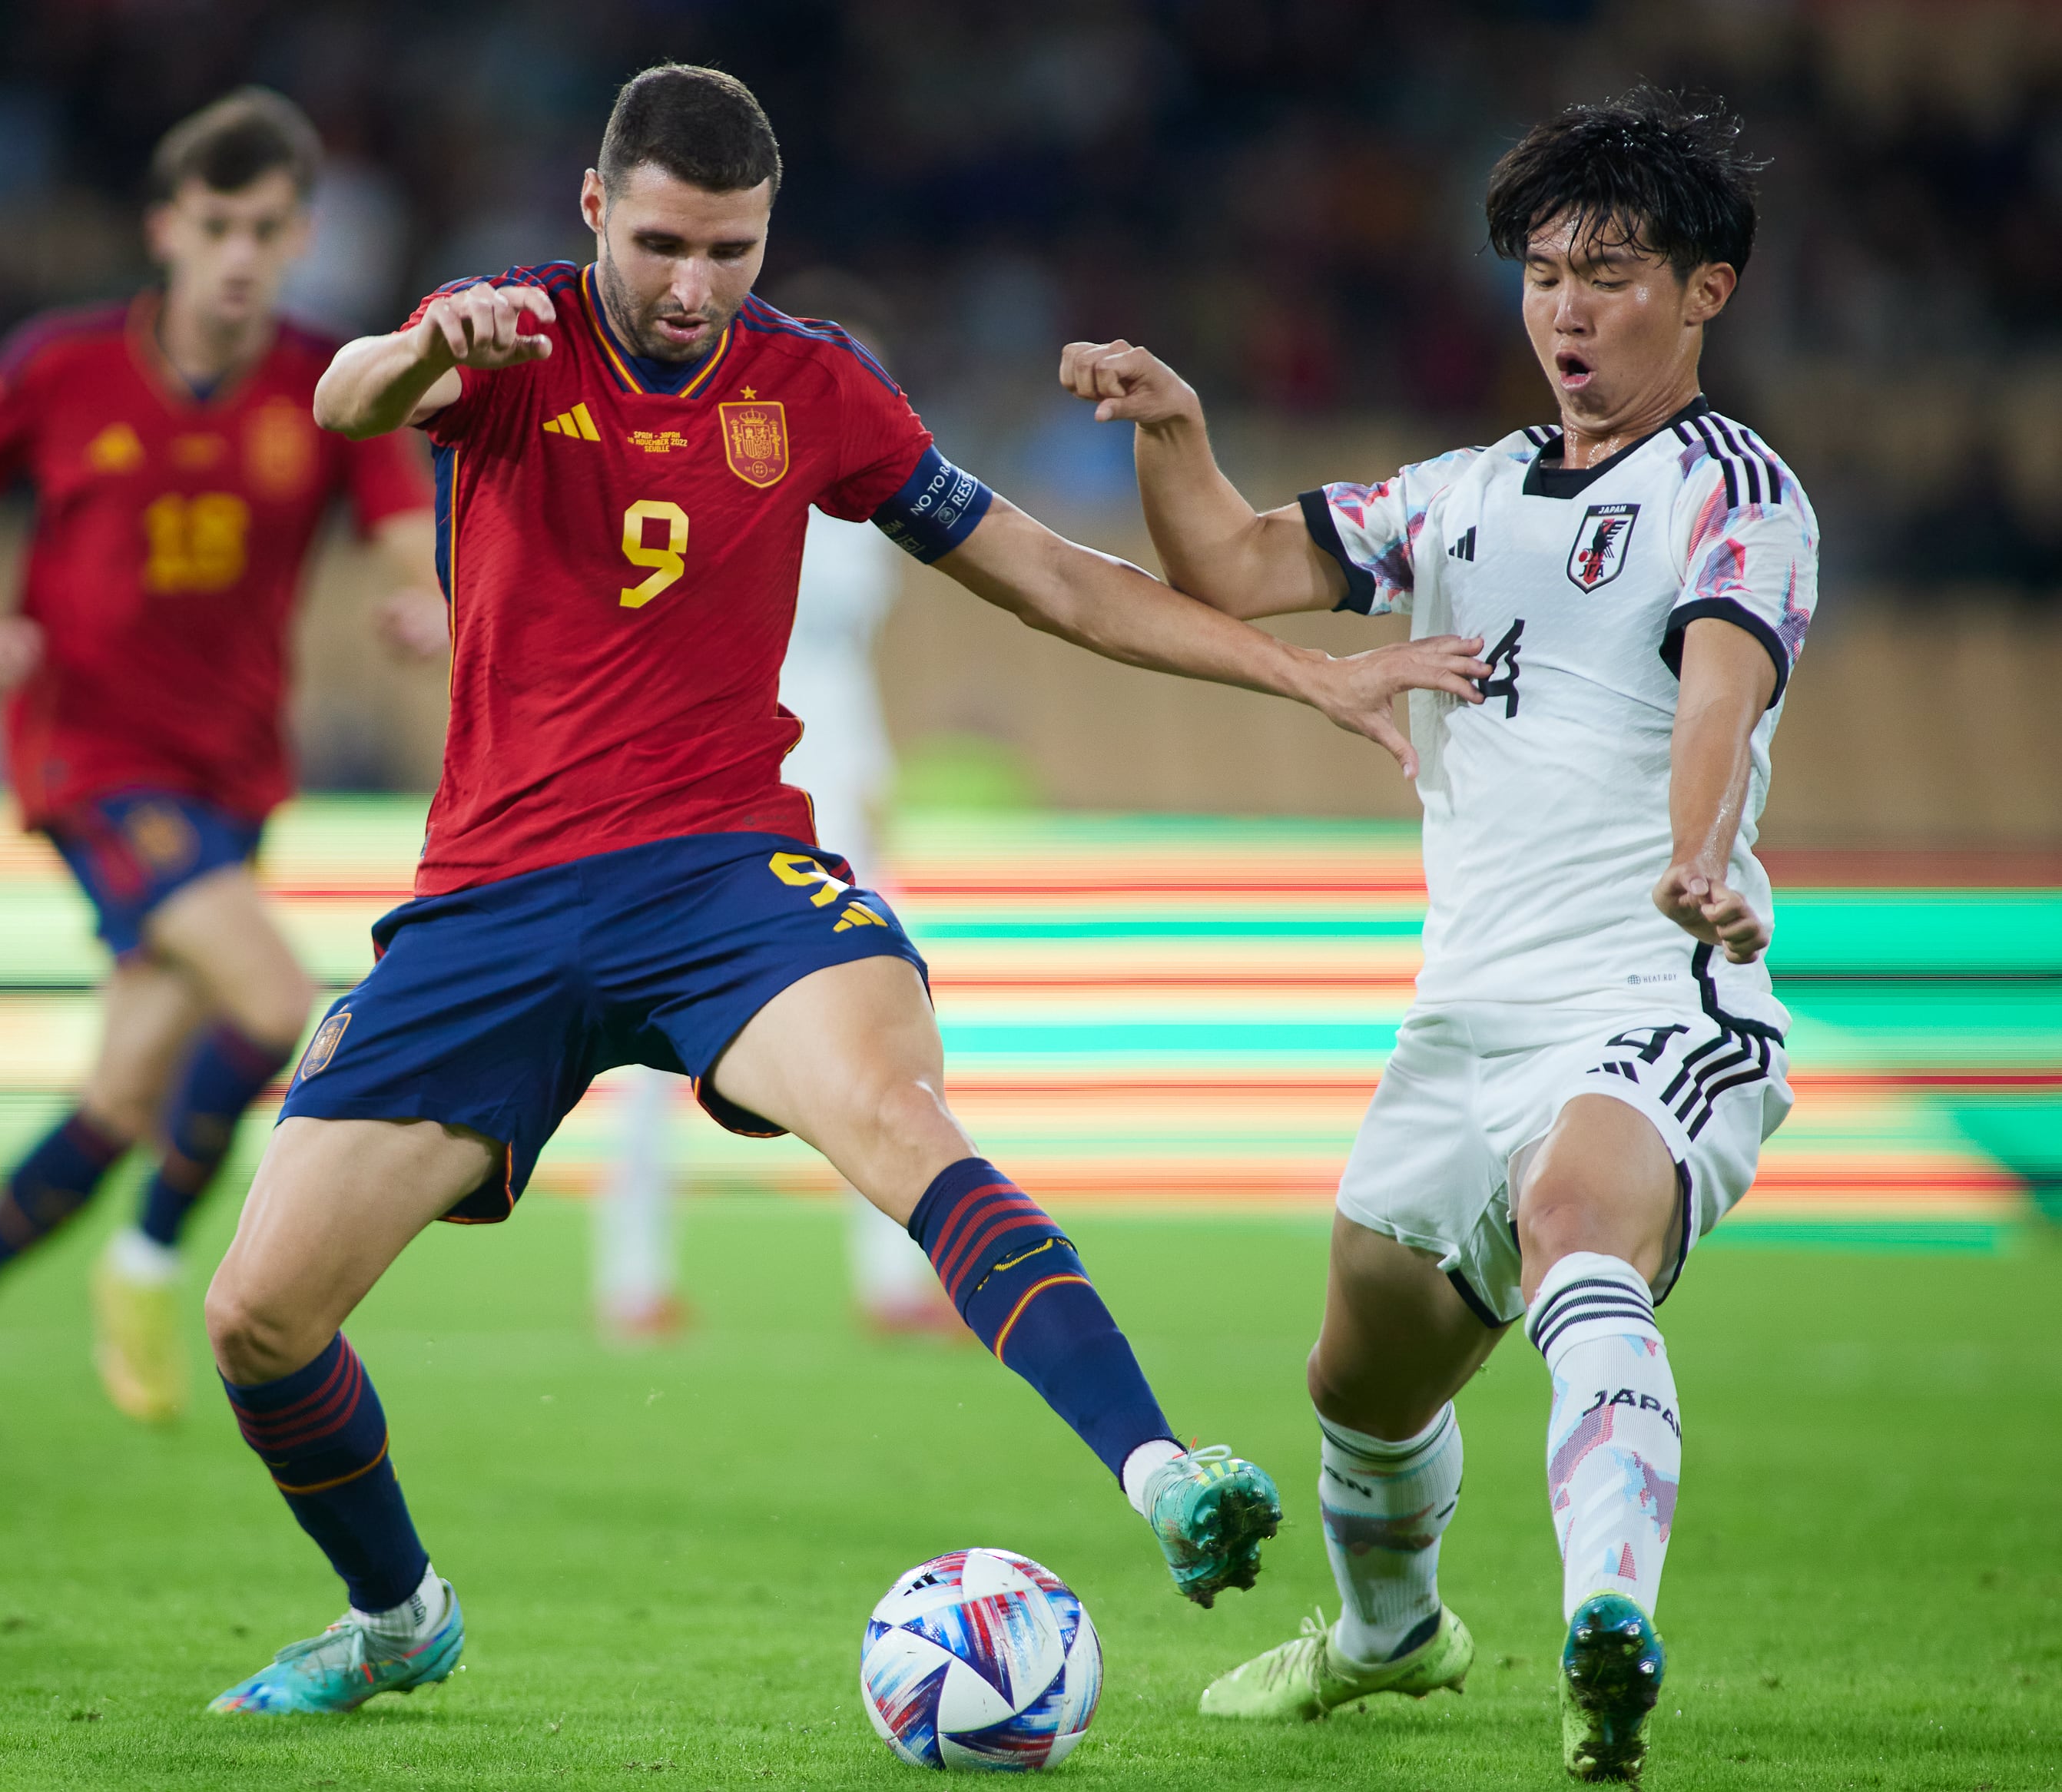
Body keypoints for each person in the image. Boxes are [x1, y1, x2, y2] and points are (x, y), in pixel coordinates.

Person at [197, 63, 1491, 1717]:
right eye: (661, 242)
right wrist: (420, 351)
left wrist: (1303, 679)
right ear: (595, 209)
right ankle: (397, 1619)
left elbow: (1049, 578)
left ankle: (1163, 1470)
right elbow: (349, 402)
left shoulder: (812, 386)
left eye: (730, 250)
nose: (692, 287)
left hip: (724, 872)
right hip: (494, 900)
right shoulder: (503, 330)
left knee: (897, 1119)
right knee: (257, 1319)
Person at [1061, 88, 1809, 1784]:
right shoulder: (1458, 495)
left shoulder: (1736, 495)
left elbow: (1720, 690)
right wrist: (1173, 432)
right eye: (1543, 272)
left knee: (1574, 1226)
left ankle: (1606, 1627)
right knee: (1358, 1383)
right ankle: (1389, 1637)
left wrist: (1700, 861)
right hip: (1463, 1014)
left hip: (1652, 984)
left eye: (1609, 272)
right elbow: (1239, 566)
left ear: (1705, 292)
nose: (1564, 307)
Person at [0, 88, 440, 1441]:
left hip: (233, 773)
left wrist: (422, 600)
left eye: (265, 228)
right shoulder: (66, 368)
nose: (239, 253)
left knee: (127, 1096)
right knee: (267, 994)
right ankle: (152, 1261)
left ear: (302, 236)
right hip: (92, 756)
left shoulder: (321, 382)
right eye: (216, 225)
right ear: (166, 230)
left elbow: (402, 518)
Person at [590, 283, 959, 1344]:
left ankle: (895, 1278)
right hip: (714, 776)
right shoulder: (722, 478)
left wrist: (876, 764)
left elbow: (841, 659)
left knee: (880, 1036)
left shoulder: (873, 511)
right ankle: (634, 1277)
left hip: (835, 777)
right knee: (655, 1046)